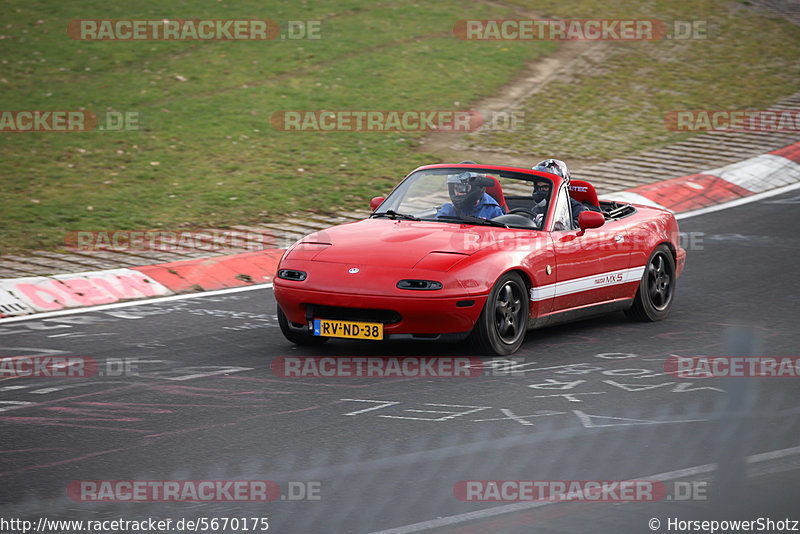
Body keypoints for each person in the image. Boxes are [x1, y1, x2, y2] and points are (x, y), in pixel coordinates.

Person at [532, 158, 587, 228]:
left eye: (545, 187)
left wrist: (556, 226)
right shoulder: (536, 209)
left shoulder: (577, 209)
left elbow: (573, 230)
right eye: (539, 188)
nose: (541, 191)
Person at [437, 171, 504, 219]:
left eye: (464, 188)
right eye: (457, 188)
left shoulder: (492, 210)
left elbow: (502, 234)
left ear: (475, 188)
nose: (460, 193)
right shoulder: (448, 210)